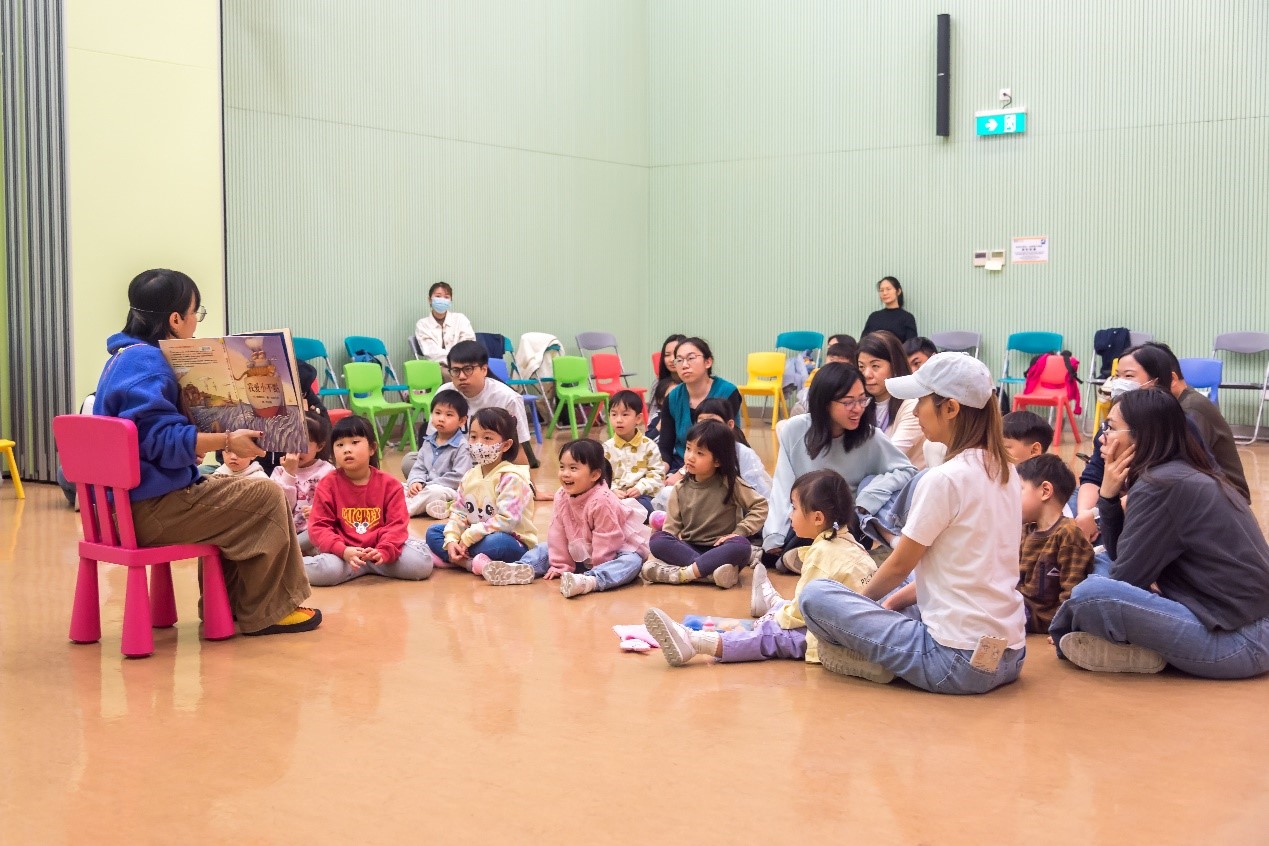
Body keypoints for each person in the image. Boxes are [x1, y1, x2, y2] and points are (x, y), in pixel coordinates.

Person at [93, 268, 320, 636]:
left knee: (247, 495)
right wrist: (226, 440)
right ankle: (268, 611)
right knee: (265, 495)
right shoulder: (148, 364)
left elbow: (145, 439)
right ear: (175, 319)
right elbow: (160, 439)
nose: (196, 322)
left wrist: (192, 445)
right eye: (195, 312)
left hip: (124, 506)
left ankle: (229, 606)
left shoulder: (124, 357)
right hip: (146, 510)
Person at [799, 352, 1027, 694]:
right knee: (902, 588)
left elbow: (898, 566)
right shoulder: (1006, 470)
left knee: (817, 596)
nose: (916, 411)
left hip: (953, 661)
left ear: (950, 408)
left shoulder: (944, 478)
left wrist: (859, 605)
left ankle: (865, 657)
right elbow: (962, 569)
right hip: (1010, 655)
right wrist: (889, 604)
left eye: (921, 401)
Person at [1050, 389, 1269, 678]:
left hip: (1239, 641)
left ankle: (1073, 633)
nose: (1102, 437)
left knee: (1089, 593)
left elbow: (1125, 579)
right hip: (1228, 620)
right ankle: (1129, 647)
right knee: (1101, 560)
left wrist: (1067, 619)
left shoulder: (1161, 484)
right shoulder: (1176, 473)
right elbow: (1121, 559)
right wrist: (1109, 497)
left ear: (1141, 436)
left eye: (1110, 427)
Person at [644, 469, 876, 667]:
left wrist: (775, 619)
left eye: (794, 508)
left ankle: (694, 642)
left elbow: (802, 612)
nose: (790, 514)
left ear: (817, 518)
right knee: (786, 613)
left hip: (836, 641)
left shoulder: (822, 553)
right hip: (848, 627)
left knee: (771, 636)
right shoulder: (849, 542)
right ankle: (773, 602)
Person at [762, 363, 917, 564]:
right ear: (825, 403)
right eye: (848, 402)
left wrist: (870, 496)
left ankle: (802, 559)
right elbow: (782, 486)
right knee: (778, 545)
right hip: (804, 519)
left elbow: (907, 470)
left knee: (833, 533)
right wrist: (774, 534)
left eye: (862, 399)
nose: (858, 409)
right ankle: (800, 557)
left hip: (845, 523)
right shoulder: (795, 430)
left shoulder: (870, 437)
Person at [481, 439, 649, 598]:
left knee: (632, 561)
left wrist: (598, 566)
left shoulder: (603, 500)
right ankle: (520, 568)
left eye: (573, 468)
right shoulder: (561, 495)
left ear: (594, 475)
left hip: (612, 553)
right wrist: (560, 565)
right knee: (545, 548)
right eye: (562, 467)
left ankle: (592, 580)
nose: (565, 474)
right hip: (581, 550)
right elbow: (557, 532)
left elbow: (607, 539)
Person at [303, 416, 435, 586]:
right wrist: (343, 550)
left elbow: (396, 525)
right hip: (344, 557)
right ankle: (294, 565)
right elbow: (319, 527)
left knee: (421, 564)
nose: (347, 450)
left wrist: (384, 551)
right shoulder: (327, 484)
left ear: (372, 448)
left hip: (381, 554)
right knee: (325, 570)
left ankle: (371, 565)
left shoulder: (390, 485)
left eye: (354, 442)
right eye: (340, 445)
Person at [641, 421, 769, 590]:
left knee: (742, 546)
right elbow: (671, 529)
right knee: (658, 540)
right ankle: (709, 574)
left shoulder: (730, 483)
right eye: (688, 449)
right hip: (689, 548)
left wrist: (740, 531)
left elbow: (760, 505)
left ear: (717, 461)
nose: (690, 457)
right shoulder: (680, 488)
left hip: (721, 548)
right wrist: (668, 544)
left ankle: (685, 574)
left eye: (700, 453)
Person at [425, 408, 536, 576]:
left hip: (512, 541)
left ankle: (452, 558)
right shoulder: (470, 475)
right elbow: (459, 512)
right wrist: (452, 539)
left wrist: (468, 537)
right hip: (475, 536)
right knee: (434, 532)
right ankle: (469, 563)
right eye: (473, 437)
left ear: (506, 445)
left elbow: (507, 521)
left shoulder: (512, 477)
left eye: (487, 438)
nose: (479, 443)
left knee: (497, 542)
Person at [400, 340, 538, 472]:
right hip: (453, 461)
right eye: (455, 370)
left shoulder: (508, 398)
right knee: (410, 461)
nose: (461, 376)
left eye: (468, 369)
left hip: (490, 463)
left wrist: (527, 484)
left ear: (484, 369)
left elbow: (518, 449)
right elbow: (433, 440)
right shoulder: (445, 392)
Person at [1147, 342, 1250, 502]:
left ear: (1171, 379)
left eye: (1131, 376)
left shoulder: (1190, 409)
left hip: (1228, 497)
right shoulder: (1174, 405)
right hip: (1205, 489)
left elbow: (1181, 466)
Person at [1016, 454, 1093, 634]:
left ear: (1045, 491)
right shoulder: (1026, 530)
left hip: (1042, 618)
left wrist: (1062, 626)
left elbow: (1072, 588)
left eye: (1019, 489)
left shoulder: (1068, 533)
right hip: (1020, 607)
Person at [656, 337, 742, 473]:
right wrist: (659, 473)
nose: (684, 365)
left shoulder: (728, 392)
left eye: (691, 358)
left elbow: (721, 445)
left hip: (718, 466)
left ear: (708, 362)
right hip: (681, 463)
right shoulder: (672, 398)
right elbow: (665, 447)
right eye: (679, 360)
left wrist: (682, 474)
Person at [858, 331, 926, 469]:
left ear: (895, 366)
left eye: (875, 366)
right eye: (861, 367)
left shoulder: (913, 407)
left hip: (906, 479)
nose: (867, 374)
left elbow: (889, 457)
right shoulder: (861, 405)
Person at [270, 411, 336, 555]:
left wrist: (318, 511)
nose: (297, 448)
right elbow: (281, 507)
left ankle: (291, 554)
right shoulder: (279, 472)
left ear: (320, 446)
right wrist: (289, 473)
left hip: (314, 534)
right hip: (286, 534)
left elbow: (336, 506)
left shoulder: (327, 471)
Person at [404, 389, 472, 518]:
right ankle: (427, 506)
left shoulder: (462, 446)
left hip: (448, 490)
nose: (441, 419)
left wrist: (426, 485)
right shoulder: (428, 441)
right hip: (426, 487)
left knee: (435, 493)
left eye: (449, 415)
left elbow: (459, 477)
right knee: (398, 486)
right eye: (437, 413)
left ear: (462, 421)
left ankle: (403, 511)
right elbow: (419, 467)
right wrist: (416, 482)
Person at [603, 390, 666, 517]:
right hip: (615, 496)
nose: (619, 420)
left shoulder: (649, 446)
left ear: (638, 418)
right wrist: (613, 490)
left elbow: (658, 475)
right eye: (614, 414)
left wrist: (640, 488)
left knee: (648, 505)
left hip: (643, 496)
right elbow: (602, 477)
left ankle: (625, 514)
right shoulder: (606, 448)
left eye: (625, 414)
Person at [413, 281, 475, 363]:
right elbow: (432, 352)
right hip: (438, 366)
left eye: (446, 297)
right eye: (438, 296)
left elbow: (468, 345)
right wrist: (454, 361)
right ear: (430, 300)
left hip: (463, 364)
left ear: (450, 301)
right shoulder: (422, 324)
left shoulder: (460, 319)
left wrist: (459, 362)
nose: (442, 300)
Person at [648, 333, 687, 440]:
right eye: (667, 355)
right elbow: (652, 417)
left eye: (676, 354)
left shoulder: (694, 382)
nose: (671, 359)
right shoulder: (658, 383)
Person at [861, 276, 918, 343]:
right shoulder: (874, 317)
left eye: (888, 289)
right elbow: (863, 342)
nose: (884, 293)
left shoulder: (907, 318)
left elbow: (912, 345)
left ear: (898, 291)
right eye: (881, 290)